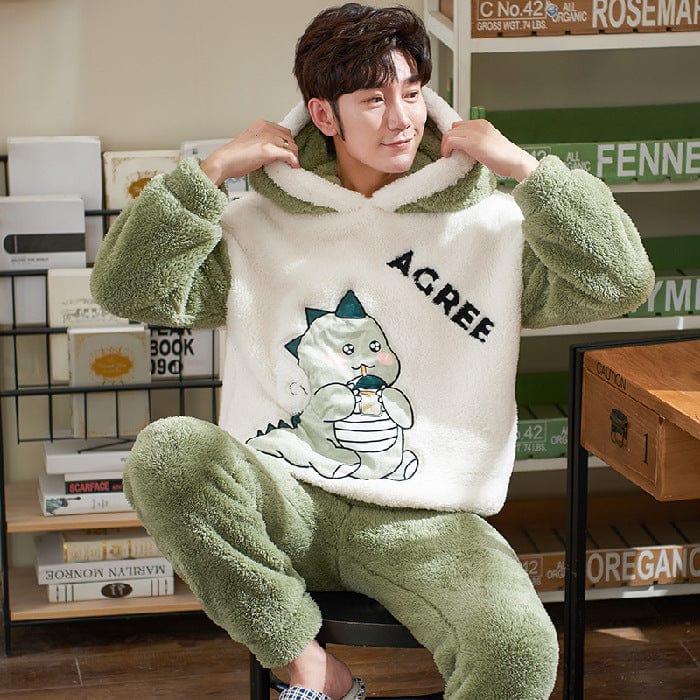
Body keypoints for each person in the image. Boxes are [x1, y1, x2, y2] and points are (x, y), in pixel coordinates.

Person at [91, 4, 654, 698]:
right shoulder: (255, 225)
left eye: (412, 92)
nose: (402, 118)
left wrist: (529, 172)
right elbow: (129, 289)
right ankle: (310, 672)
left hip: (427, 520)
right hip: (285, 495)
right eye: (374, 99)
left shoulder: (490, 228)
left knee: (516, 649)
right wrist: (205, 174)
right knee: (167, 453)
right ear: (323, 115)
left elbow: (619, 282)